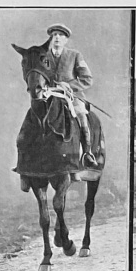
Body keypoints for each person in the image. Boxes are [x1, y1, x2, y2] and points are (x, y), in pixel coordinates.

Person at [37, 23, 98, 167]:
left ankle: (87, 153)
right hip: (49, 94)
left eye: (60, 35)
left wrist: (69, 86)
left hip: (71, 96)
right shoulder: (42, 57)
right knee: (34, 115)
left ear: (66, 40)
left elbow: (87, 79)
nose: (57, 37)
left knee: (81, 115)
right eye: (54, 35)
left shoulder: (75, 55)